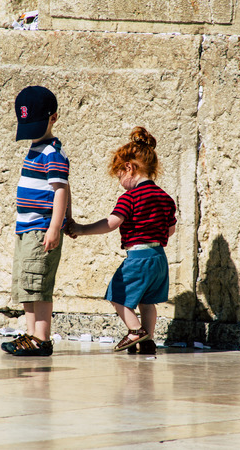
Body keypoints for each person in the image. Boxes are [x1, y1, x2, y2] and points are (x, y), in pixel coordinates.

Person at [68, 127, 176, 354]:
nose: (120, 181)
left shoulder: (130, 197)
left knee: (117, 294)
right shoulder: (165, 197)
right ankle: (147, 340)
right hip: (159, 258)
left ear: (129, 167)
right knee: (148, 301)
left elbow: (112, 222)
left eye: (119, 175)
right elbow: (171, 229)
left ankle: (135, 331)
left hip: (138, 257)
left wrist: (81, 228)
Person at [1, 86, 73, 356]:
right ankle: (31, 335)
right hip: (26, 230)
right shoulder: (36, 149)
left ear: (53, 118)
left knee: (39, 285)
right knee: (27, 285)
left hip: (41, 229)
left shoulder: (53, 152)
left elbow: (61, 190)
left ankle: (41, 338)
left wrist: (56, 226)